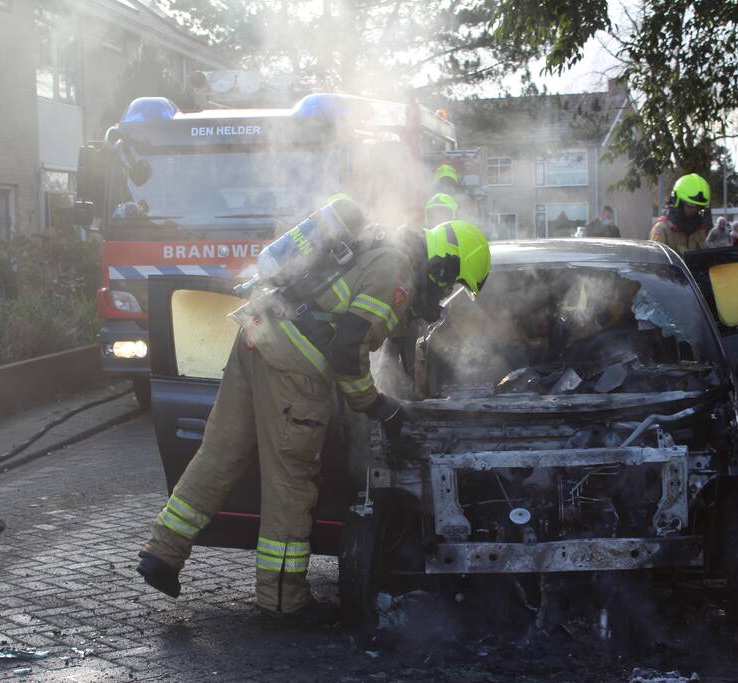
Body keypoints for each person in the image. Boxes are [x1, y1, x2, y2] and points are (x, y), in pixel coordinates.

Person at [136, 199, 492, 626]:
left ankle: (161, 554)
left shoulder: (379, 244)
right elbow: (346, 353)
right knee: (292, 481)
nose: (444, 296)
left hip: (257, 333)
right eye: (451, 284)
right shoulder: (397, 271)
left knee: (220, 453)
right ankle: (283, 601)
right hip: (293, 365)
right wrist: (376, 405)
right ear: (443, 266)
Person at [649, 174, 712, 253]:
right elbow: (656, 262)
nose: (695, 211)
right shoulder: (662, 229)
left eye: (699, 207)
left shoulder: (699, 229)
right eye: (691, 206)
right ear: (678, 203)